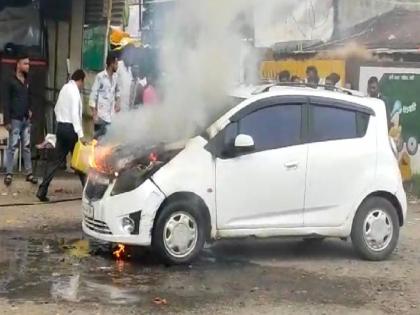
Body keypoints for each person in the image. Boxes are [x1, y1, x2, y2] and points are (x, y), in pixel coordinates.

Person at [36, 70, 87, 202]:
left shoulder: (64, 88)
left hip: (61, 128)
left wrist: (60, 121)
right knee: (80, 163)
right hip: (71, 129)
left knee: (55, 162)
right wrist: (80, 134)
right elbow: (75, 114)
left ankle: (42, 190)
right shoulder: (75, 92)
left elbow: (56, 108)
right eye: (83, 82)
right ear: (80, 80)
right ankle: (88, 193)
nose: (82, 86)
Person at [3, 53, 37, 186]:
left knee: (27, 147)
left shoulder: (27, 80)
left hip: (25, 119)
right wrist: (7, 120)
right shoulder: (10, 80)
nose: (28, 66)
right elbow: (6, 101)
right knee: (12, 147)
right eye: (25, 63)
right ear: (18, 64)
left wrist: (30, 109)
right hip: (15, 119)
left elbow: (30, 97)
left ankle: (29, 173)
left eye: (29, 64)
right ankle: (9, 174)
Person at [89, 54, 121, 139]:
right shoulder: (100, 77)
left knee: (108, 143)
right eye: (116, 64)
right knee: (98, 141)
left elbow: (118, 91)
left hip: (111, 117)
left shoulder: (115, 77)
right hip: (101, 117)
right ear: (111, 64)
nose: (117, 66)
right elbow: (93, 95)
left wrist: (118, 102)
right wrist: (94, 113)